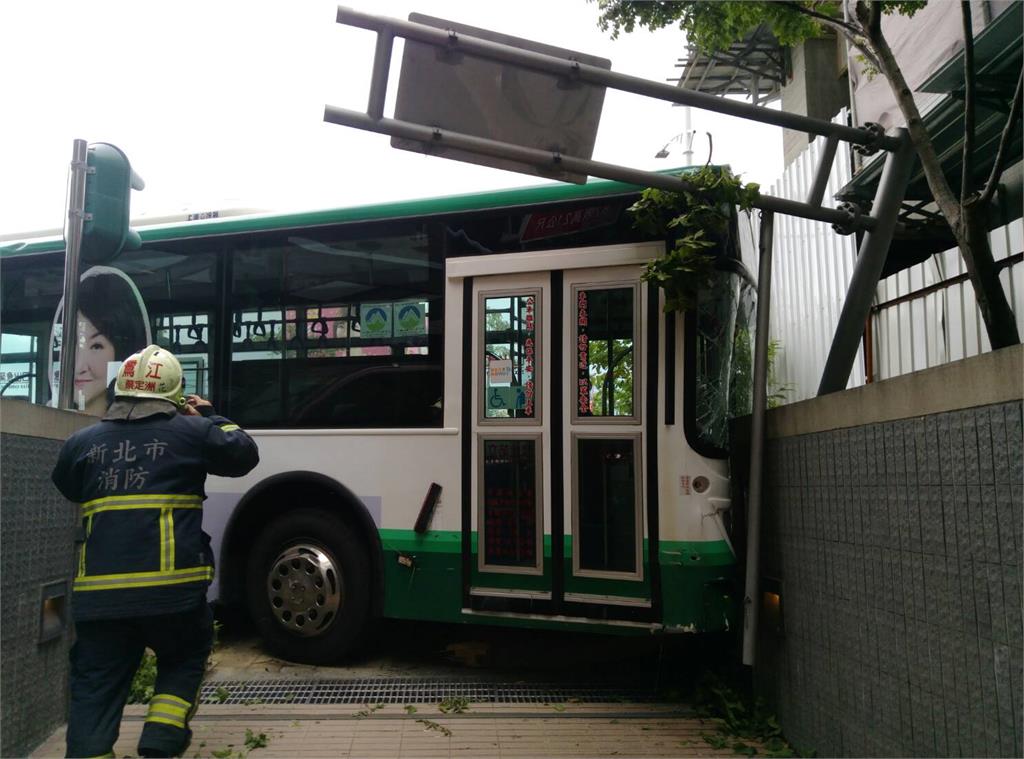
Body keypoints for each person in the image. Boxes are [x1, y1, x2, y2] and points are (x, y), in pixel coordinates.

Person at [51, 344, 259, 758]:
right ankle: (161, 739)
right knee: (183, 657)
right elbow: (243, 452)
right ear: (175, 396)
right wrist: (209, 415)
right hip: (173, 597)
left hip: (100, 602)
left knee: (96, 684)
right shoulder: (192, 433)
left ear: (119, 390)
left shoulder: (82, 444)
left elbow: (68, 484)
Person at [51, 266, 151, 416]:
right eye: (72, 346)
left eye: (96, 346)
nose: (79, 367)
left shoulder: (137, 426)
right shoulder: (43, 420)